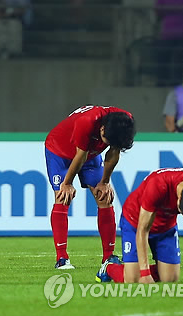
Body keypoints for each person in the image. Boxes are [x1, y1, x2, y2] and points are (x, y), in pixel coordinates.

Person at [45, 105, 135, 269]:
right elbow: (81, 155)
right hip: (60, 152)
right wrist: (67, 183)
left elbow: (113, 152)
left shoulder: (123, 122)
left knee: (104, 198)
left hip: (90, 155)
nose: (105, 144)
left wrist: (105, 182)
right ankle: (62, 258)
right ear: (101, 128)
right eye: (104, 140)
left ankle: (108, 257)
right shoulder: (86, 122)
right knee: (63, 197)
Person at [96, 168, 183, 284]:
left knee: (169, 278)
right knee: (132, 279)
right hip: (135, 220)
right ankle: (109, 266)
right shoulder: (158, 184)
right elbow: (143, 229)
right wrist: (145, 273)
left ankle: (156, 269)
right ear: (178, 201)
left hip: (165, 226)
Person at [155, 0, 183, 86]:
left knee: (164, 58)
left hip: (168, 31)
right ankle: (176, 83)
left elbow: (158, 11)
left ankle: (162, 82)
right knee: (178, 59)